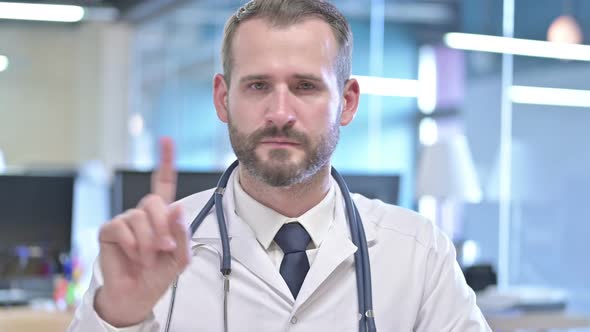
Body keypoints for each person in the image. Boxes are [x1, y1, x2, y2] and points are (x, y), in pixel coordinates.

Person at [68, 0, 491, 331]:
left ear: (346, 102)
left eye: (305, 86)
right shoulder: (152, 250)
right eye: (258, 86)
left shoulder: (418, 252)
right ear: (222, 98)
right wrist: (118, 318)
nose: (280, 112)